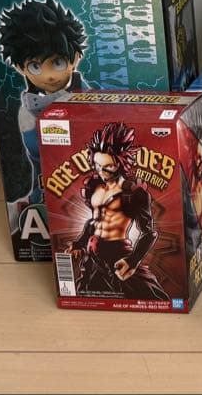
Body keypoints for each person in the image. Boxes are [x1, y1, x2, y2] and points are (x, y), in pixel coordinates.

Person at [0, 0, 89, 227]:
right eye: (35, 66)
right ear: (20, 67)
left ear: (75, 58)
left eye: (58, 63)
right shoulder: (26, 112)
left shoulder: (90, 104)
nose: (49, 76)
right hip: (42, 202)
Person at [65, 122, 167, 300]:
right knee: (86, 294)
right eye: (97, 165)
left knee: (152, 297)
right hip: (92, 257)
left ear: (120, 163)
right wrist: (79, 243)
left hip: (117, 253)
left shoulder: (133, 193)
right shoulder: (94, 186)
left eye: (108, 167)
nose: (102, 171)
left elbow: (149, 233)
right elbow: (94, 222)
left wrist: (133, 261)